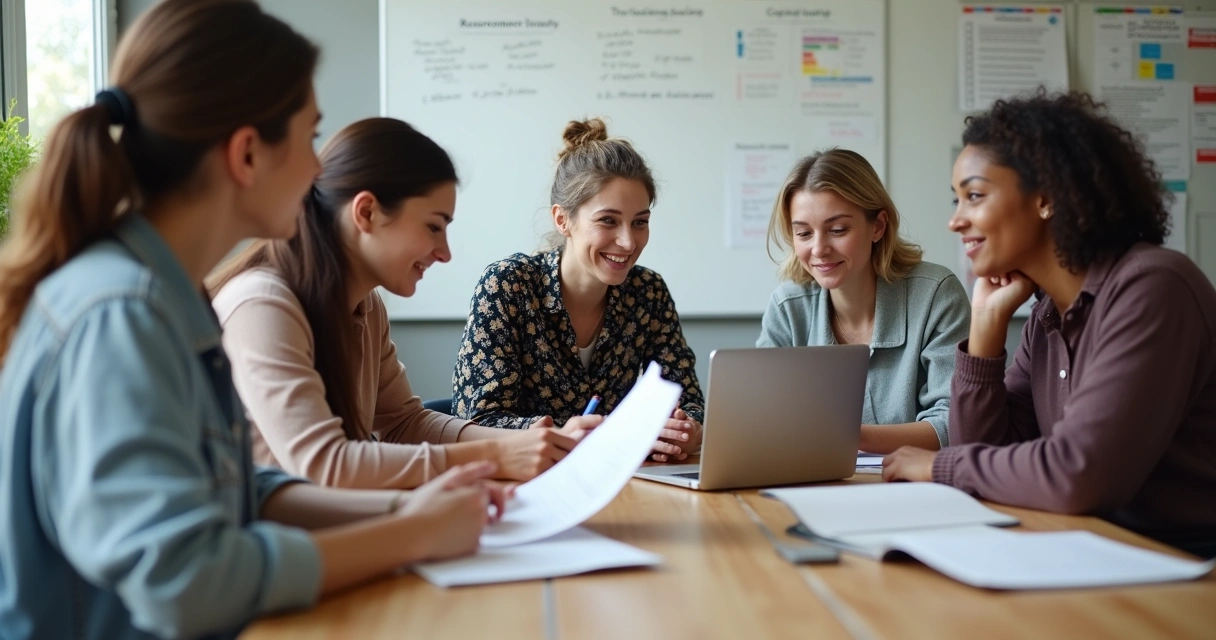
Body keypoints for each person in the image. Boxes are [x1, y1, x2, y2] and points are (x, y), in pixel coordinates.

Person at [0, 2, 504, 638]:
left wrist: (408, 508)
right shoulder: (122, 316)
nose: (321, 170)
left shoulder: (164, 299)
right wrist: (410, 534)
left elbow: (240, 492)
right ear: (246, 155)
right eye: (310, 136)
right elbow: (188, 582)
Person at [883, 92, 1216, 559]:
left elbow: (1078, 475)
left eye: (974, 196)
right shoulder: (1047, 314)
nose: (955, 221)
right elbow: (985, 451)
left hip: (1185, 562)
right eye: (956, 199)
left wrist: (941, 466)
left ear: (1046, 199)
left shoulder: (1153, 287)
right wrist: (985, 328)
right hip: (1092, 545)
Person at [209, 118, 603, 489]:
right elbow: (325, 465)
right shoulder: (262, 305)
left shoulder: (366, 306)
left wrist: (533, 440)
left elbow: (403, 423)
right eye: (433, 226)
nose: (445, 253)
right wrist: (497, 453)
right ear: (366, 212)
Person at [453, 118, 703, 463]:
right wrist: (569, 436)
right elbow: (477, 422)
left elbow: (688, 401)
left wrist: (686, 429)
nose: (629, 242)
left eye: (640, 222)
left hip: (624, 484)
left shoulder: (648, 291)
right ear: (562, 219)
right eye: (608, 221)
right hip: (525, 486)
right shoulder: (508, 285)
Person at [759, 149, 970, 453]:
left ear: (878, 226)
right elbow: (759, 420)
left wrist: (847, 436)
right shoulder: (787, 308)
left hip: (915, 488)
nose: (818, 249)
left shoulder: (936, 294)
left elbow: (957, 423)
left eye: (837, 230)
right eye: (804, 233)